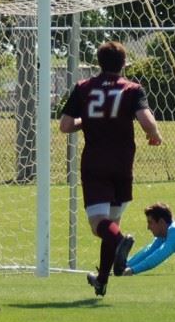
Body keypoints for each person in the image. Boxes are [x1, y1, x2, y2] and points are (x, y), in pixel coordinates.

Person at [59, 41, 163, 297]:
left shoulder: (83, 88)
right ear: (124, 64)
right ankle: (102, 280)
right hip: (122, 163)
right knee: (111, 222)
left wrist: (86, 121)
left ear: (99, 63)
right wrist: (154, 134)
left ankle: (120, 241)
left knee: (100, 227)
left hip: (95, 162)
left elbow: (65, 125)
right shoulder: (132, 88)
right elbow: (145, 119)